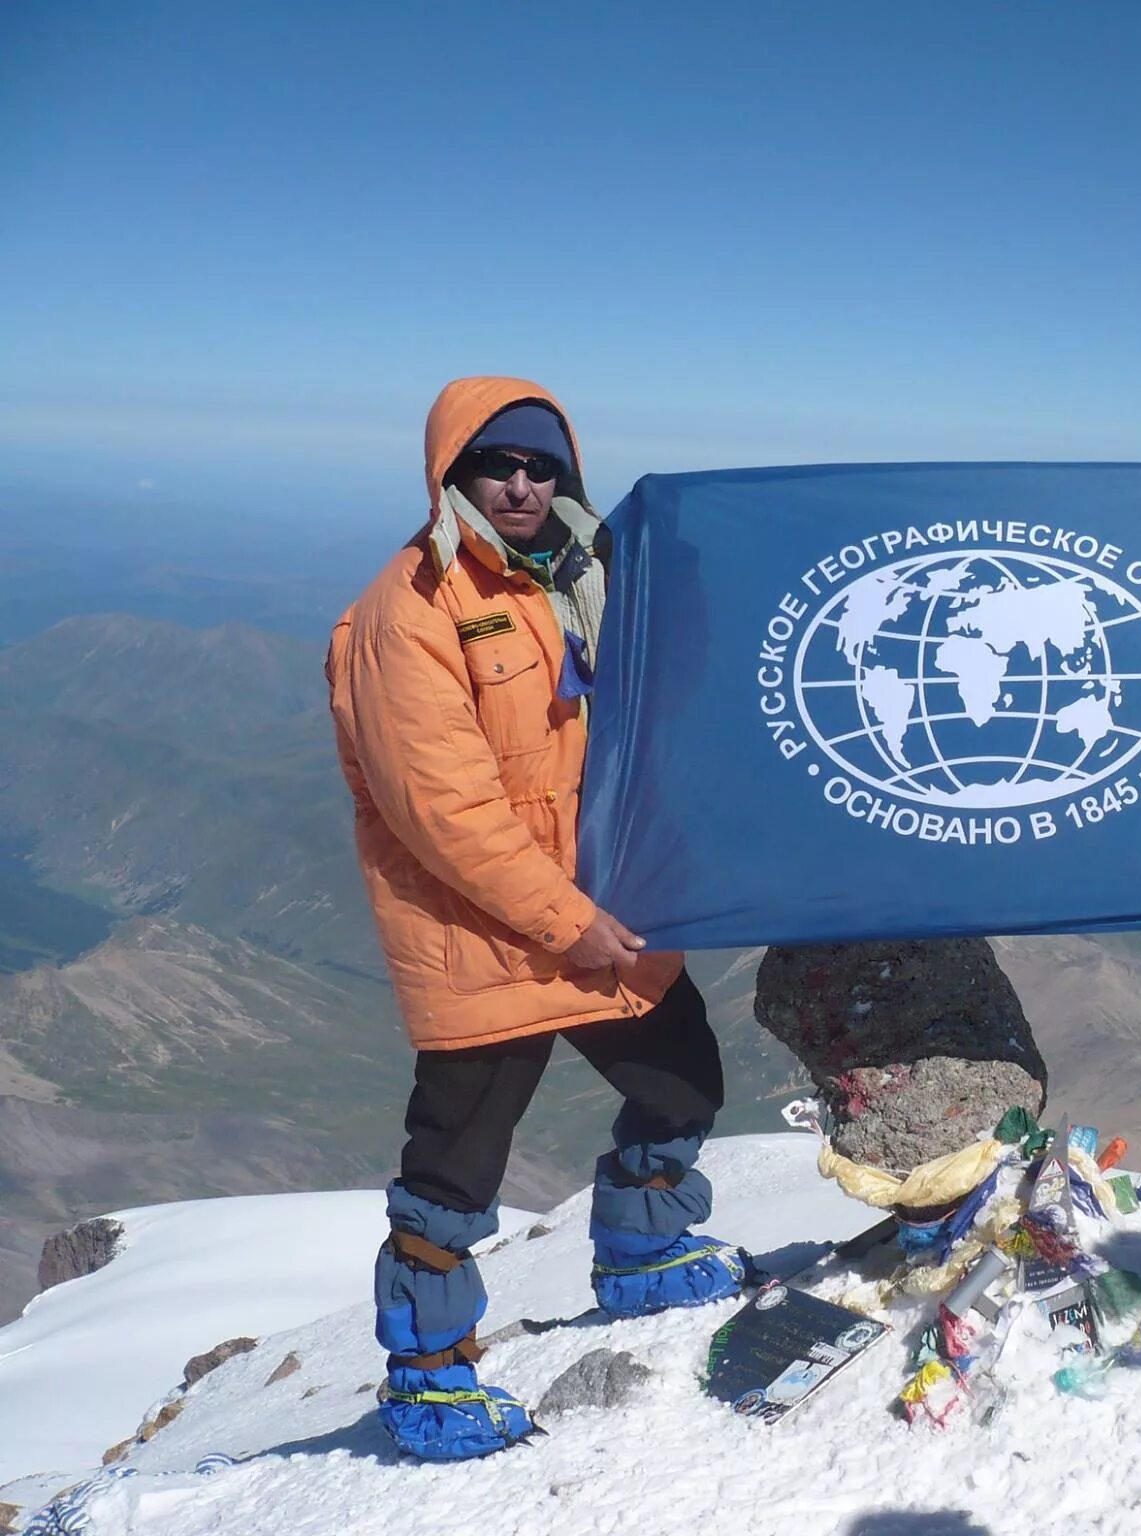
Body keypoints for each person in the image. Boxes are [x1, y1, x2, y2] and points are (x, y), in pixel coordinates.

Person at [326, 377, 745, 1460]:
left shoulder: (577, 580)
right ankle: (426, 1374)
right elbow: (445, 816)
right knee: (455, 1163)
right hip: (487, 935)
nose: (519, 484)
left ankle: (641, 1256)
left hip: (598, 910)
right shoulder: (405, 612)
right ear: (452, 476)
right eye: (495, 467)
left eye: (538, 467)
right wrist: (569, 923)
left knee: (683, 1079)